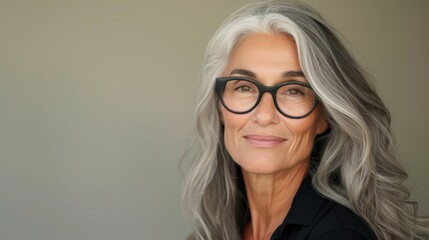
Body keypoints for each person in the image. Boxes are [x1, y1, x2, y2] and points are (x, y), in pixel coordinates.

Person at [181, 0, 428, 239]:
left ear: (325, 116)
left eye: (294, 90)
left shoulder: (339, 234)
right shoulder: (217, 228)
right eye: (244, 87)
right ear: (219, 106)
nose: (265, 115)